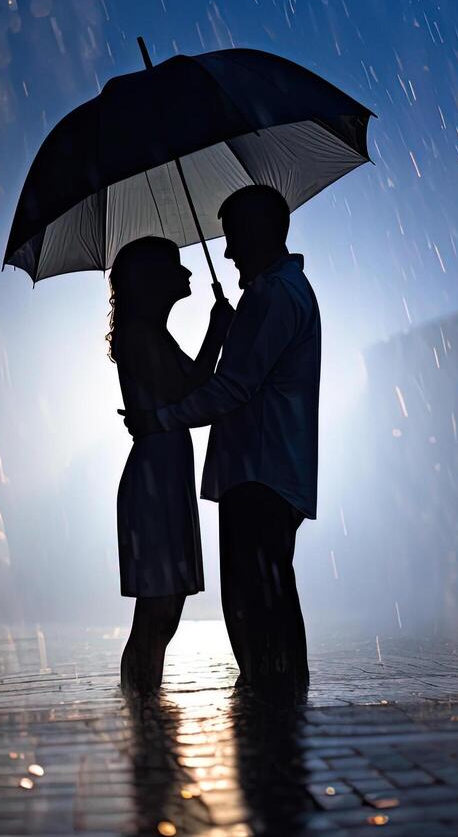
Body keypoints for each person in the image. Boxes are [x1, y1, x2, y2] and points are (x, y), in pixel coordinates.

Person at [123, 186, 319, 694]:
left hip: (258, 472)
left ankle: (273, 700)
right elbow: (217, 384)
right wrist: (221, 330)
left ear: (255, 233)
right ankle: (273, 701)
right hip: (254, 470)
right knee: (253, 593)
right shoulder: (274, 294)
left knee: (253, 595)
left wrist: (162, 418)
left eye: (232, 237)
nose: (226, 250)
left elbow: (229, 386)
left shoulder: (273, 296)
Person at [109, 236, 235, 694]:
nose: (187, 275)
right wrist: (217, 332)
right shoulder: (138, 335)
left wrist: (219, 335)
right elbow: (189, 389)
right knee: (156, 610)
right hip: (154, 478)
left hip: (165, 471)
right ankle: (140, 707)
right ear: (151, 280)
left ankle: (144, 704)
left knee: (164, 607)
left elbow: (191, 386)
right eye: (176, 267)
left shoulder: (151, 332)